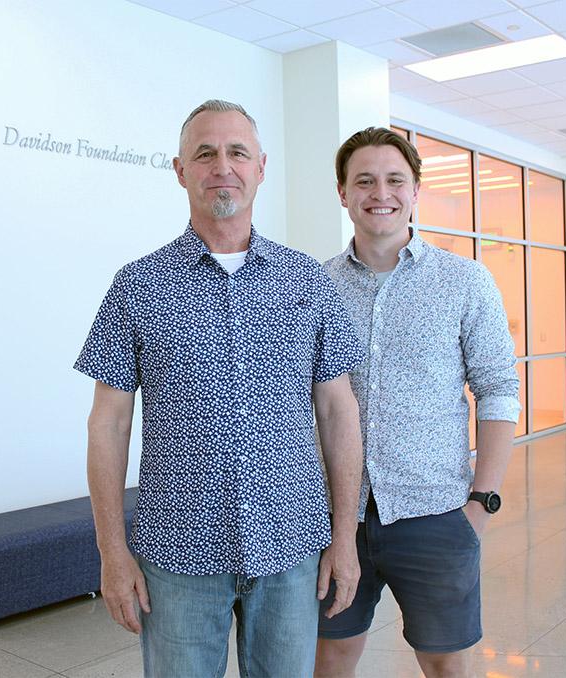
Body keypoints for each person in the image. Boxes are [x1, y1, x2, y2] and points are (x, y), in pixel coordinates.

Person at [74, 100, 366, 678]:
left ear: (261, 166)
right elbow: (107, 424)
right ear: (180, 170)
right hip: (177, 557)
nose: (221, 166)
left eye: (237, 152)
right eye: (204, 153)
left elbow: (337, 413)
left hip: (290, 547)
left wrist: (346, 537)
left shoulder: (308, 281)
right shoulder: (138, 284)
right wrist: (111, 552)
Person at [314, 127, 521, 678]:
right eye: (364, 181)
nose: (379, 192)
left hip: (436, 513)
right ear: (343, 193)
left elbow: (499, 390)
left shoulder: (465, 281)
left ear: (415, 190)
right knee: (331, 657)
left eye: (394, 180)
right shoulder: (312, 285)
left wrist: (481, 504)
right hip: (335, 516)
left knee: (445, 664)